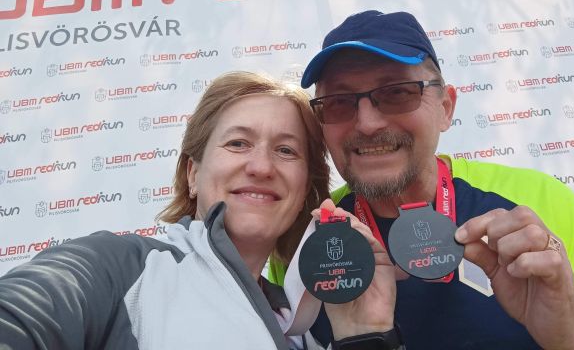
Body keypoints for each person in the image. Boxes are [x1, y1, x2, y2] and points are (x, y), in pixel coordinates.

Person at [293, 10, 574, 349]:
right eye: (338, 102)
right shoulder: (306, 237)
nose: (368, 124)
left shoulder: (537, 200)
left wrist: (573, 332)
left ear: (446, 108)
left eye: (397, 93)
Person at [0, 71, 398, 350]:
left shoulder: (304, 330)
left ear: (305, 190)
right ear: (193, 174)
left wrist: (362, 335)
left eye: (285, 150)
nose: (261, 166)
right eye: (238, 143)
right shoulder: (120, 268)